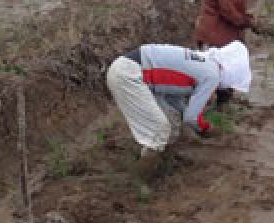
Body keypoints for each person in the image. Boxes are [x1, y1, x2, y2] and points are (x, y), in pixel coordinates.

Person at [105, 40, 252, 155]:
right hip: (129, 74)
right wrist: (206, 130)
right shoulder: (213, 75)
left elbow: (172, 98)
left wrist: (185, 114)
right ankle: (140, 180)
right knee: (159, 129)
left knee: (172, 125)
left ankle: (157, 156)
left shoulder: (203, 63)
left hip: (129, 69)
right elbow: (191, 117)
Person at [194, 0, 264, 106]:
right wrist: (248, 22)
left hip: (224, 32)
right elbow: (227, 10)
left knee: (224, 70)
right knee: (219, 70)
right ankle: (211, 108)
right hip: (216, 33)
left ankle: (221, 105)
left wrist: (247, 20)